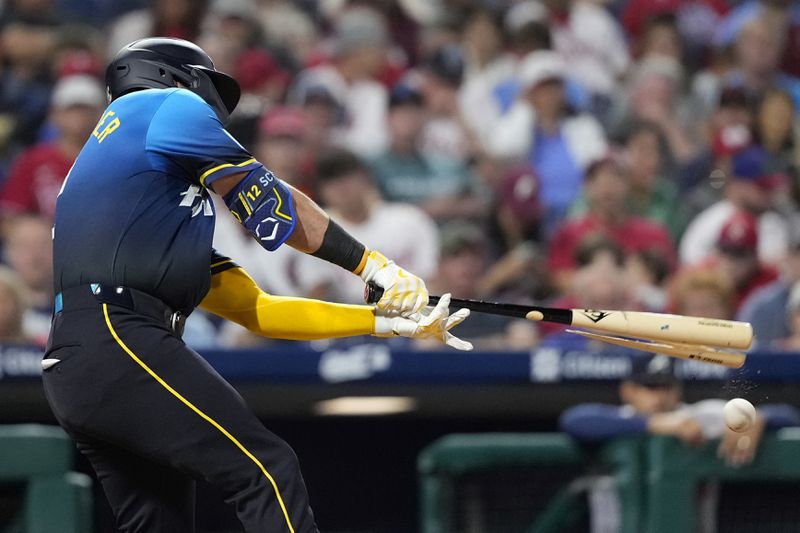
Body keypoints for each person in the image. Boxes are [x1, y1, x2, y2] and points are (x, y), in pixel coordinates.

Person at [43, 38, 472, 533]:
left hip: (81, 361)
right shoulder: (163, 105)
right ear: (174, 76)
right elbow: (273, 203)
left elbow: (259, 311)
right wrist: (374, 267)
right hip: (119, 337)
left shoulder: (133, 186)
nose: (213, 111)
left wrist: (384, 323)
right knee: (266, 471)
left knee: (158, 522)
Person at [0, 75, 106, 220]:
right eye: (71, 109)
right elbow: (9, 216)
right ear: (55, 114)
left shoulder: (112, 160)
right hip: (46, 239)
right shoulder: (34, 160)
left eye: (86, 110)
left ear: (101, 115)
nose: (79, 117)